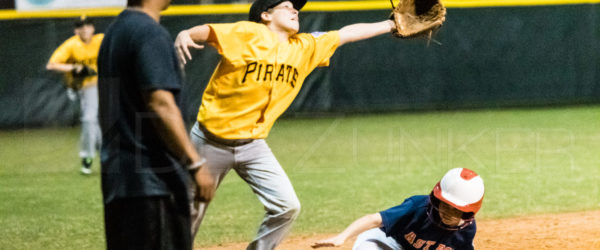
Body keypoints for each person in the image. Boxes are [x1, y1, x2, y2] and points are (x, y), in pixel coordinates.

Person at [174, 0, 397, 248]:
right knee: (189, 212)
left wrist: (391, 23)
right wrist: (186, 33)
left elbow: (346, 34)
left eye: (296, 8)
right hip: (209, 142)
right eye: (287, 6)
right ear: (266, 15)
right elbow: (209, 32)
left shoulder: (303, 47)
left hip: (253, 145)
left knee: (287, 206)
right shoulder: (248, 33)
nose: (295, 10)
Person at [97, 0, 212, 249]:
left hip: (119, 178)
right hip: (153, 182)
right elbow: (160, 103)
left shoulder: (114, 32)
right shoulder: (150, 32)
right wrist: (195, 164)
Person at [312, 168, 485, 250]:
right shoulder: (418, 206)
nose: (447, 212)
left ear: (468, 213)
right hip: (386, 242)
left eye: (456, 210)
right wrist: (342, 237)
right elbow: (373, 219)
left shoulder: (467, 231)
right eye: (444, 205)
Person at [46, 15, 103, 175]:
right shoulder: (72, 45)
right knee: (90, 119)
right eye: (81, 26)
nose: (85, 29)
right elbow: (51, 65)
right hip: (84, 87)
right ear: (75, 30)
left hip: (105, 84)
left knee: (98, 121)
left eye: (88, 25)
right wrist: (74, 68)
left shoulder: (101, 40)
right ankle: (89, 156)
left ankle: (101, 154)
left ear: (93, 28)